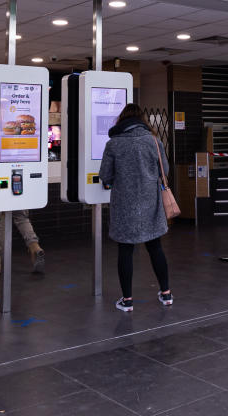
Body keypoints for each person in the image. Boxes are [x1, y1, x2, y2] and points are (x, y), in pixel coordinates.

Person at [98, 103, 172, 312]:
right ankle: (166, 294)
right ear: (142, 120)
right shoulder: (153, 141)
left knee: (125, 250)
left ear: (122, 120)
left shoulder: (113, 144)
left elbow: (105, 175)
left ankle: (127, 300)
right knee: (155, 246)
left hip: (124, 204)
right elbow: (164, 170)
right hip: (151, 202)